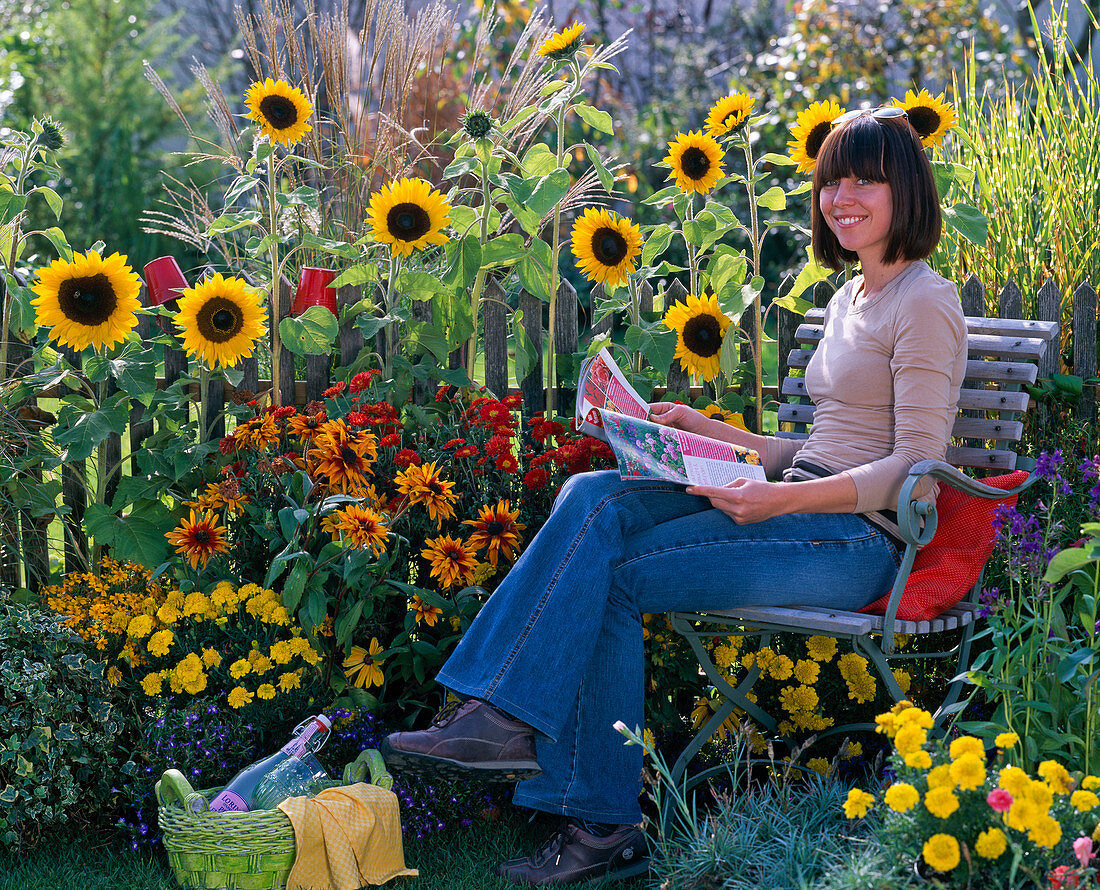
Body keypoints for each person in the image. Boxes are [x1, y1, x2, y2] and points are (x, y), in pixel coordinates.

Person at [381, 107, 967, 886]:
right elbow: (816, 447)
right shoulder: (849, 297)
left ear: (908, 191)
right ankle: (575, 801)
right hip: (796, 503)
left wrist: (781, 502)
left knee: (605, 559)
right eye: (832, 179)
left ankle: (521, 744)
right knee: (596, 492)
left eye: (866, 179)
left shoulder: (925, 300)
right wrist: (712, 432)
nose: (842, 196)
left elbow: (916, 466)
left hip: (856, 542)